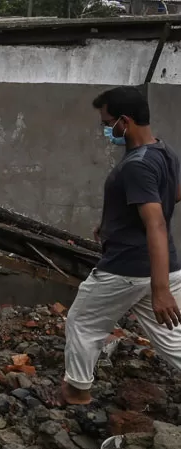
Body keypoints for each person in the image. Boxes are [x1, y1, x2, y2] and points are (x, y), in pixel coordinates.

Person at [62, 86, 181, 405]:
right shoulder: (164, 152)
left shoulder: (136, 164)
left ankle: (77, 393)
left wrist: (160, 291)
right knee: (174, 340)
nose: (105, 128)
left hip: (127, 268)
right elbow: (171, 194)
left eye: (107, 121)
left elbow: (155, 222)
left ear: (124, 122)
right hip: (164, 266)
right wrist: (115, 220)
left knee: (83, 322)